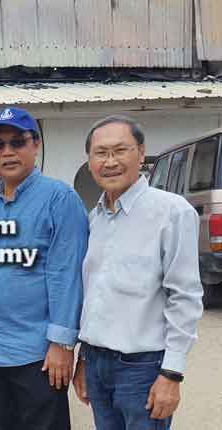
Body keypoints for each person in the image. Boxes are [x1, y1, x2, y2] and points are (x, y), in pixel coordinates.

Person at [72, 115, 204, 430]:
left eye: (121, 150)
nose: (110, 161)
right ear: (90, 161)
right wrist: (84, 360)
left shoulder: (172, 212)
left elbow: (184, 297)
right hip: (97, 364)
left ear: (142, 154)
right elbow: (94, 295)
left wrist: (171, 374)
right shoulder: (95, 217)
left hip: (142, 368)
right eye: (100, 153)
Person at [0, 108, 88, 430]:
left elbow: (67, 275)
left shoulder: (59, 199)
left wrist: (62, 345)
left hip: (37, 354)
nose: (7, 152)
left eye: (17, 142)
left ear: (35, 144)